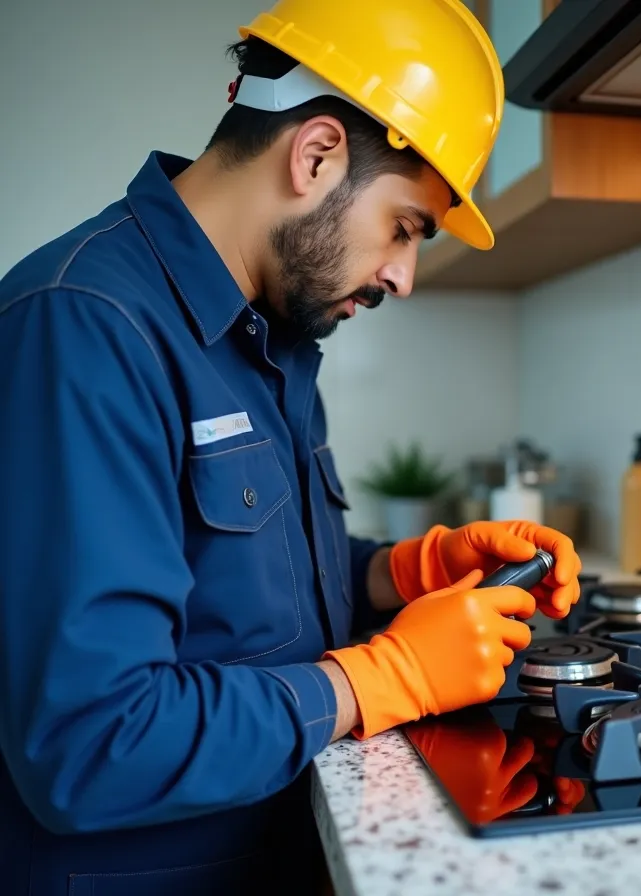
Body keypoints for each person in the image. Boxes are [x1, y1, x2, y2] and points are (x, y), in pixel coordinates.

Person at [0, 1, 582, 893]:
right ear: (315, 155)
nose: (403, 276)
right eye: (405, 227)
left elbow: (242, 588)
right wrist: (376, 678)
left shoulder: (269, 339)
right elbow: (92, 742)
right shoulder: (84, 325)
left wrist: (407, 571)